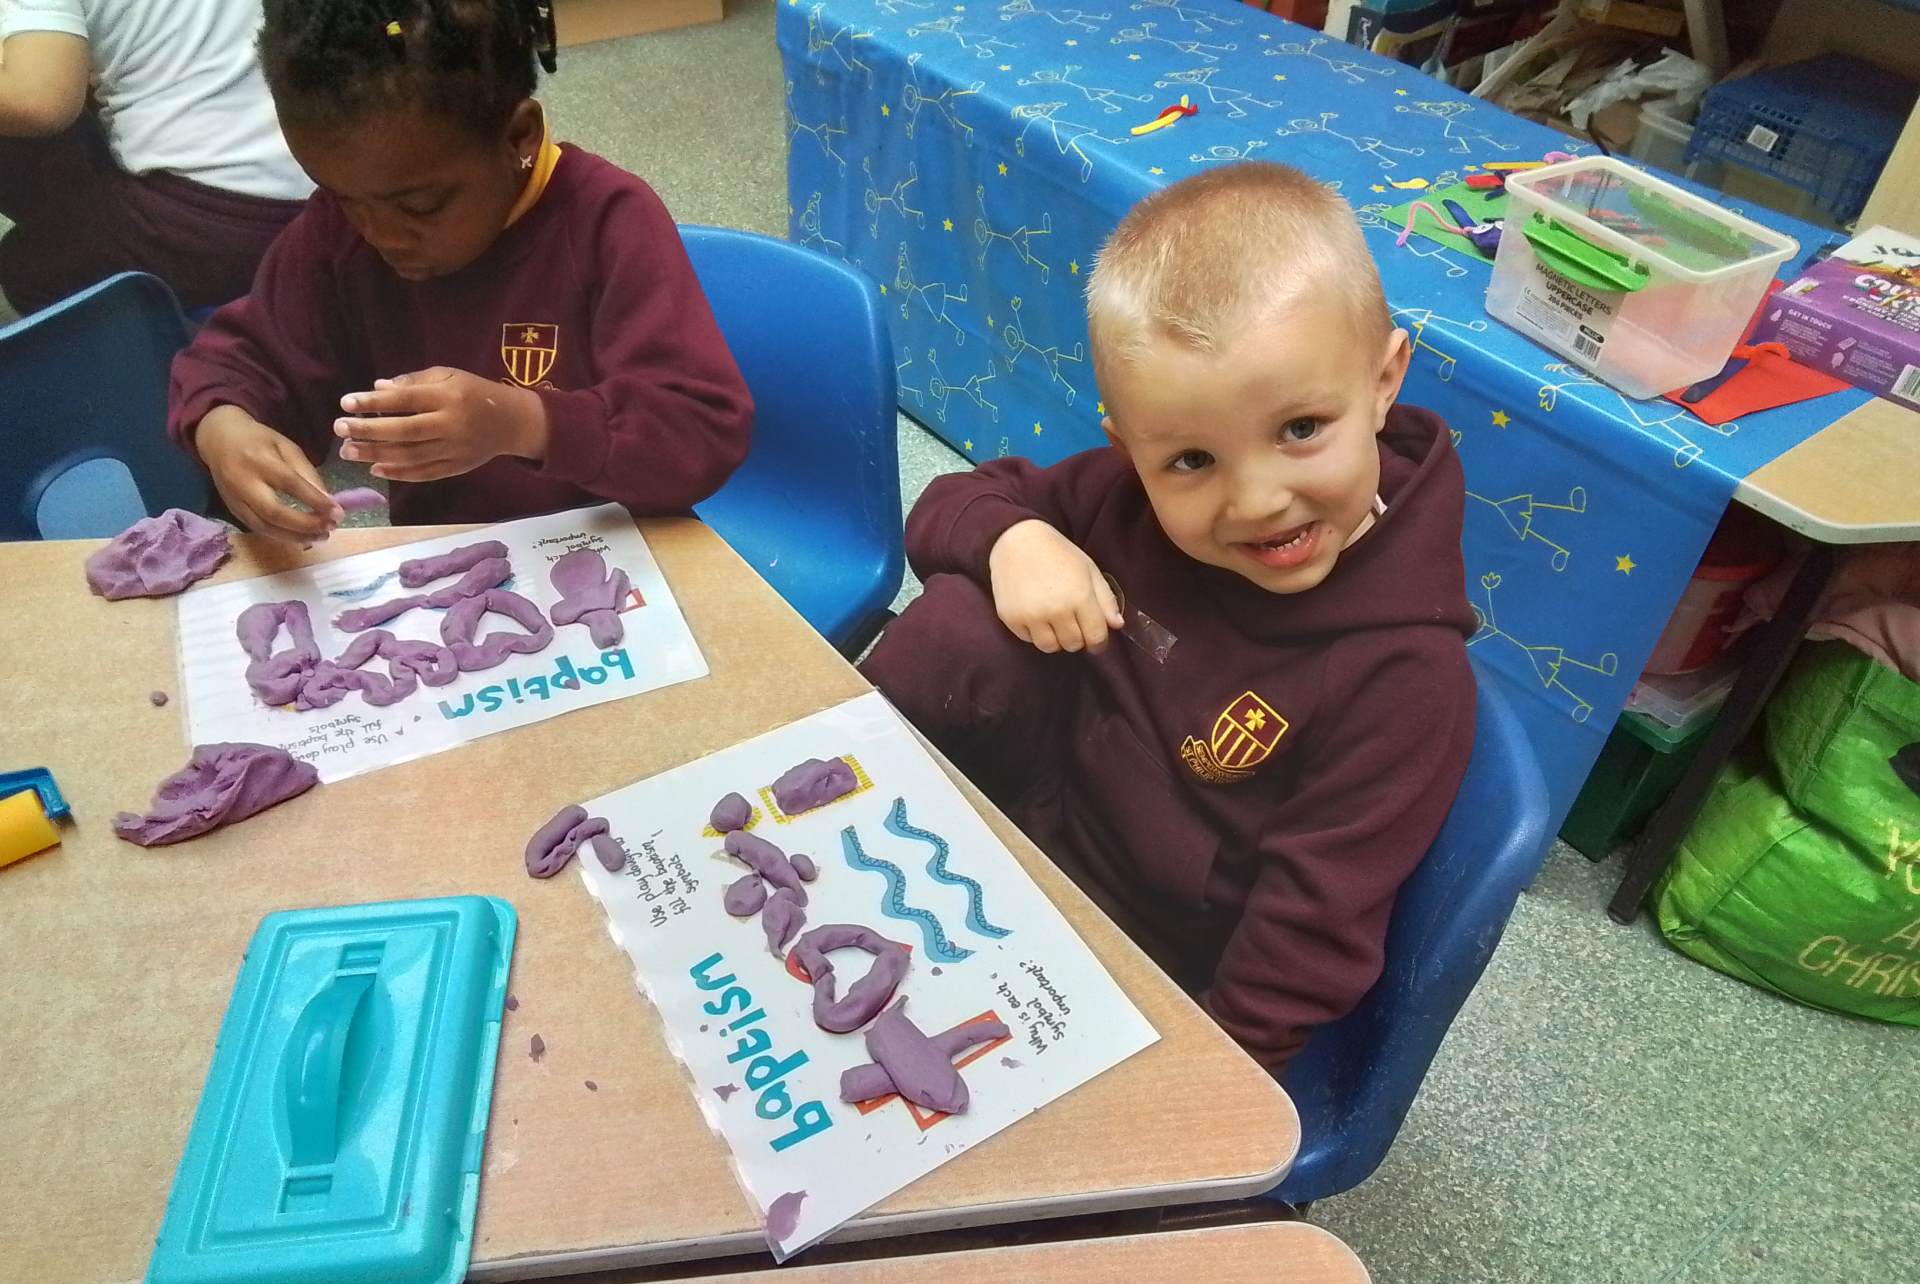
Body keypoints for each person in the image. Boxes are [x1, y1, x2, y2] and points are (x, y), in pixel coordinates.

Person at [862, 162, 1476, 1074]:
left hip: (1145, 961)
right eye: (1192, 460)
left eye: (1302, 428)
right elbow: (953, 503)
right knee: (958, 619)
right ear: (1131, 447)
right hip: (1013, 833)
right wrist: (1014, 541)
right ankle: (843, 801)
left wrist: (1200, 1088)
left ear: (1385, 381)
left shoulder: (1407, 681)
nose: (1258, 501)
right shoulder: (1127, 494)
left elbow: (1305, 942)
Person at [169, 0, 750, 544]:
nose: (381, 234)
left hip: (625, 550)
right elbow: (241, 360)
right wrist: (226, 428)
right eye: (343, 197)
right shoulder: (338, 233)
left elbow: (699, 430)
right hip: (449, 562)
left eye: (421, 206)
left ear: (519, 138)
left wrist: (523, 422)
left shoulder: (608, 221)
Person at [0, 0, 311, 315]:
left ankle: (171, 337)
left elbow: (37, 102)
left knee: (27, 268)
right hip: (317, 179)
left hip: (212, 216)